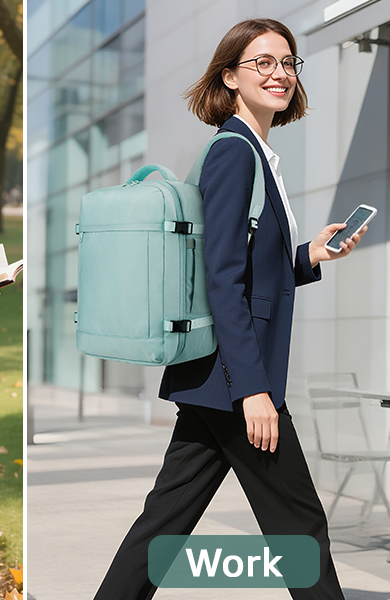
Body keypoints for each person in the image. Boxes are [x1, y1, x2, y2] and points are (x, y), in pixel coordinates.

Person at [93, 19, 363, 600]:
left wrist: (307, 255)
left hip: (212, 379)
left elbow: (248, 270)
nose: (279, 73)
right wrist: (253, 390)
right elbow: (221, 279)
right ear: (230, 77)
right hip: (235, 378)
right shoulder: (235, 151)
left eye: (287, 63)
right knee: (300, 528)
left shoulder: (257, 150)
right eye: (262, 62)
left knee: (164, 523)